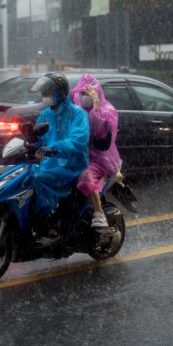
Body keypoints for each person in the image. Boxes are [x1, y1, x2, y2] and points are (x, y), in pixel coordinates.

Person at [28, 72, 90, 240]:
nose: (44, 97)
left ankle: (47, 221)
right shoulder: (46, 114)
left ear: (61, 93)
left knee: (39, 178)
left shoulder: (78, 114)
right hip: (50, 163)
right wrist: (29, 144)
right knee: (25, 176)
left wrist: (53, 149)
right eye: (43, 93)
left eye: (48, 93)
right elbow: (40, 138)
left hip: (71, 165)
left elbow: (78, 141)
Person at [70, 73, 122, 229]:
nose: (85, 97)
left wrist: (96, 106)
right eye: (83, 93)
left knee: (86, 177)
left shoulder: (108, 111)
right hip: (79, 156)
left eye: (89, 93)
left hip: (101, 160)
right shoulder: (78, 110)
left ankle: (99, 213)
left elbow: (102, 136)